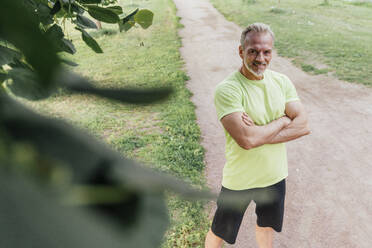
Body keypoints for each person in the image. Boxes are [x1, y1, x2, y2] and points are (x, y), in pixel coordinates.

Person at [205, 23, 310, 248]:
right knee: (219, 231)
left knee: (266, 226)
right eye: (253, 51)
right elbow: (247, 140)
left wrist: (257, 134)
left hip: (274, 175)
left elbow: (303, 125)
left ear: (272, 52)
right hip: (240, 178)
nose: (260, 58)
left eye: (266, 52)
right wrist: (283, 120)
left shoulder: (281, 82)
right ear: (241, 51)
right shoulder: (228, 89)